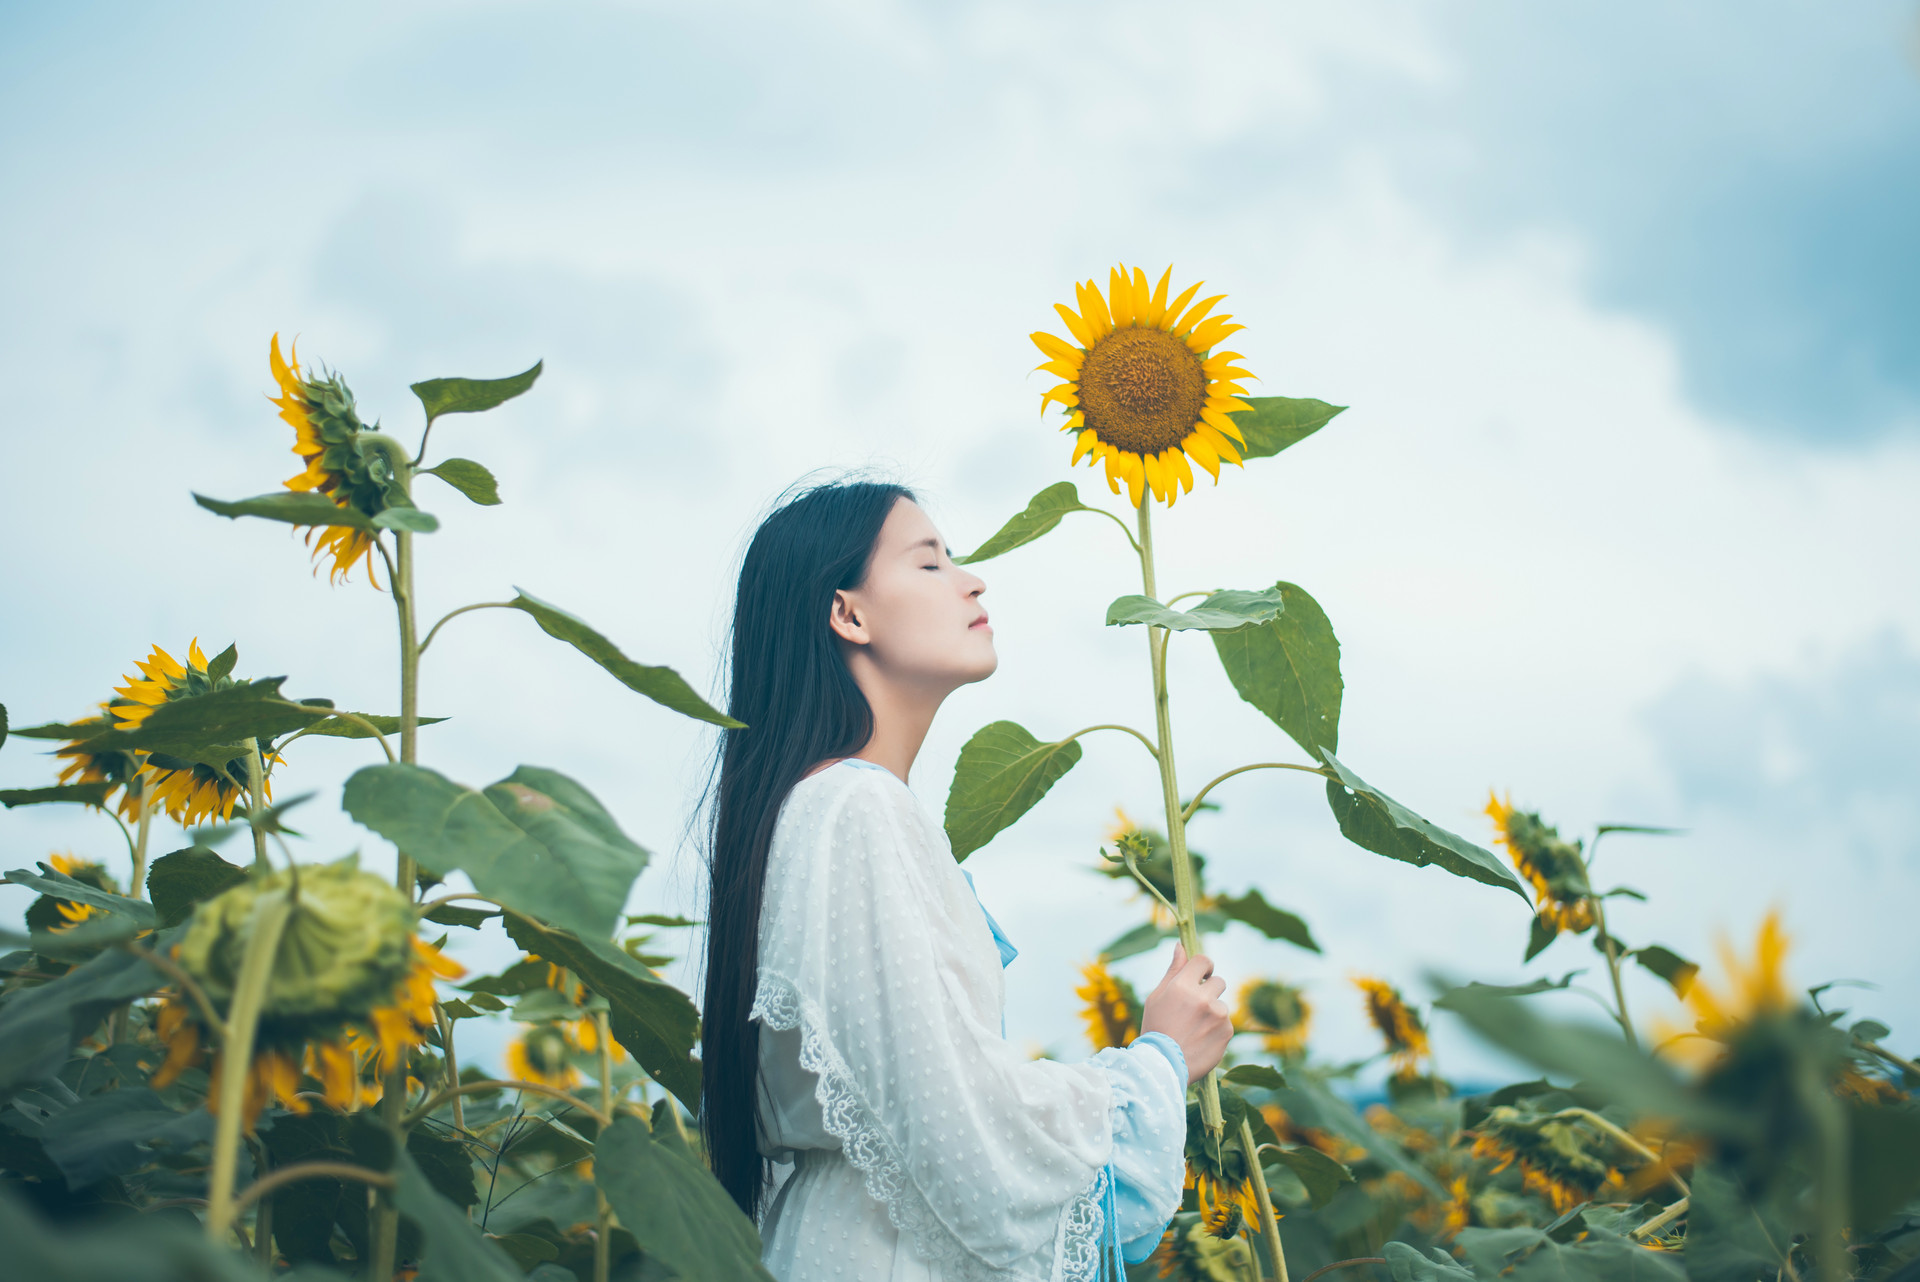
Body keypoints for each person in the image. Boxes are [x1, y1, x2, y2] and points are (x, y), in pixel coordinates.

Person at [702, 480, 1233, 1282]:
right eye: (930, 562)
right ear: (848, 614)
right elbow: (959, 1128)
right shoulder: (856, 808)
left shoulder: (826, 806)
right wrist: (1154, 1062)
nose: (972, 579)